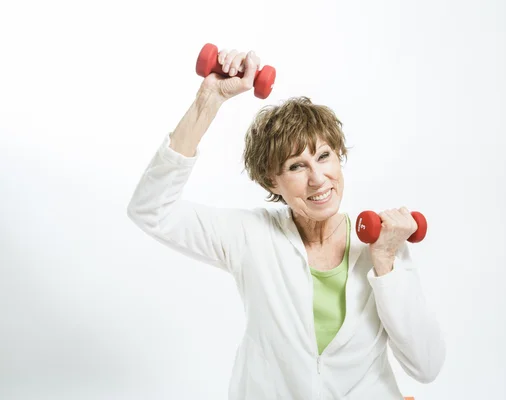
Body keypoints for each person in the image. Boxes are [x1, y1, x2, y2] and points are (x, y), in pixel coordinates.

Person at [127, 47, 446, 399]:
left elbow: (426, 366)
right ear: (271, 181)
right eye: (297, 166)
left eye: (324, 157)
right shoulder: (251, 236)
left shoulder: (383, 245)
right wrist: (209, 100)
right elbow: (150, 209)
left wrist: (386, 264)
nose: (318, 179)